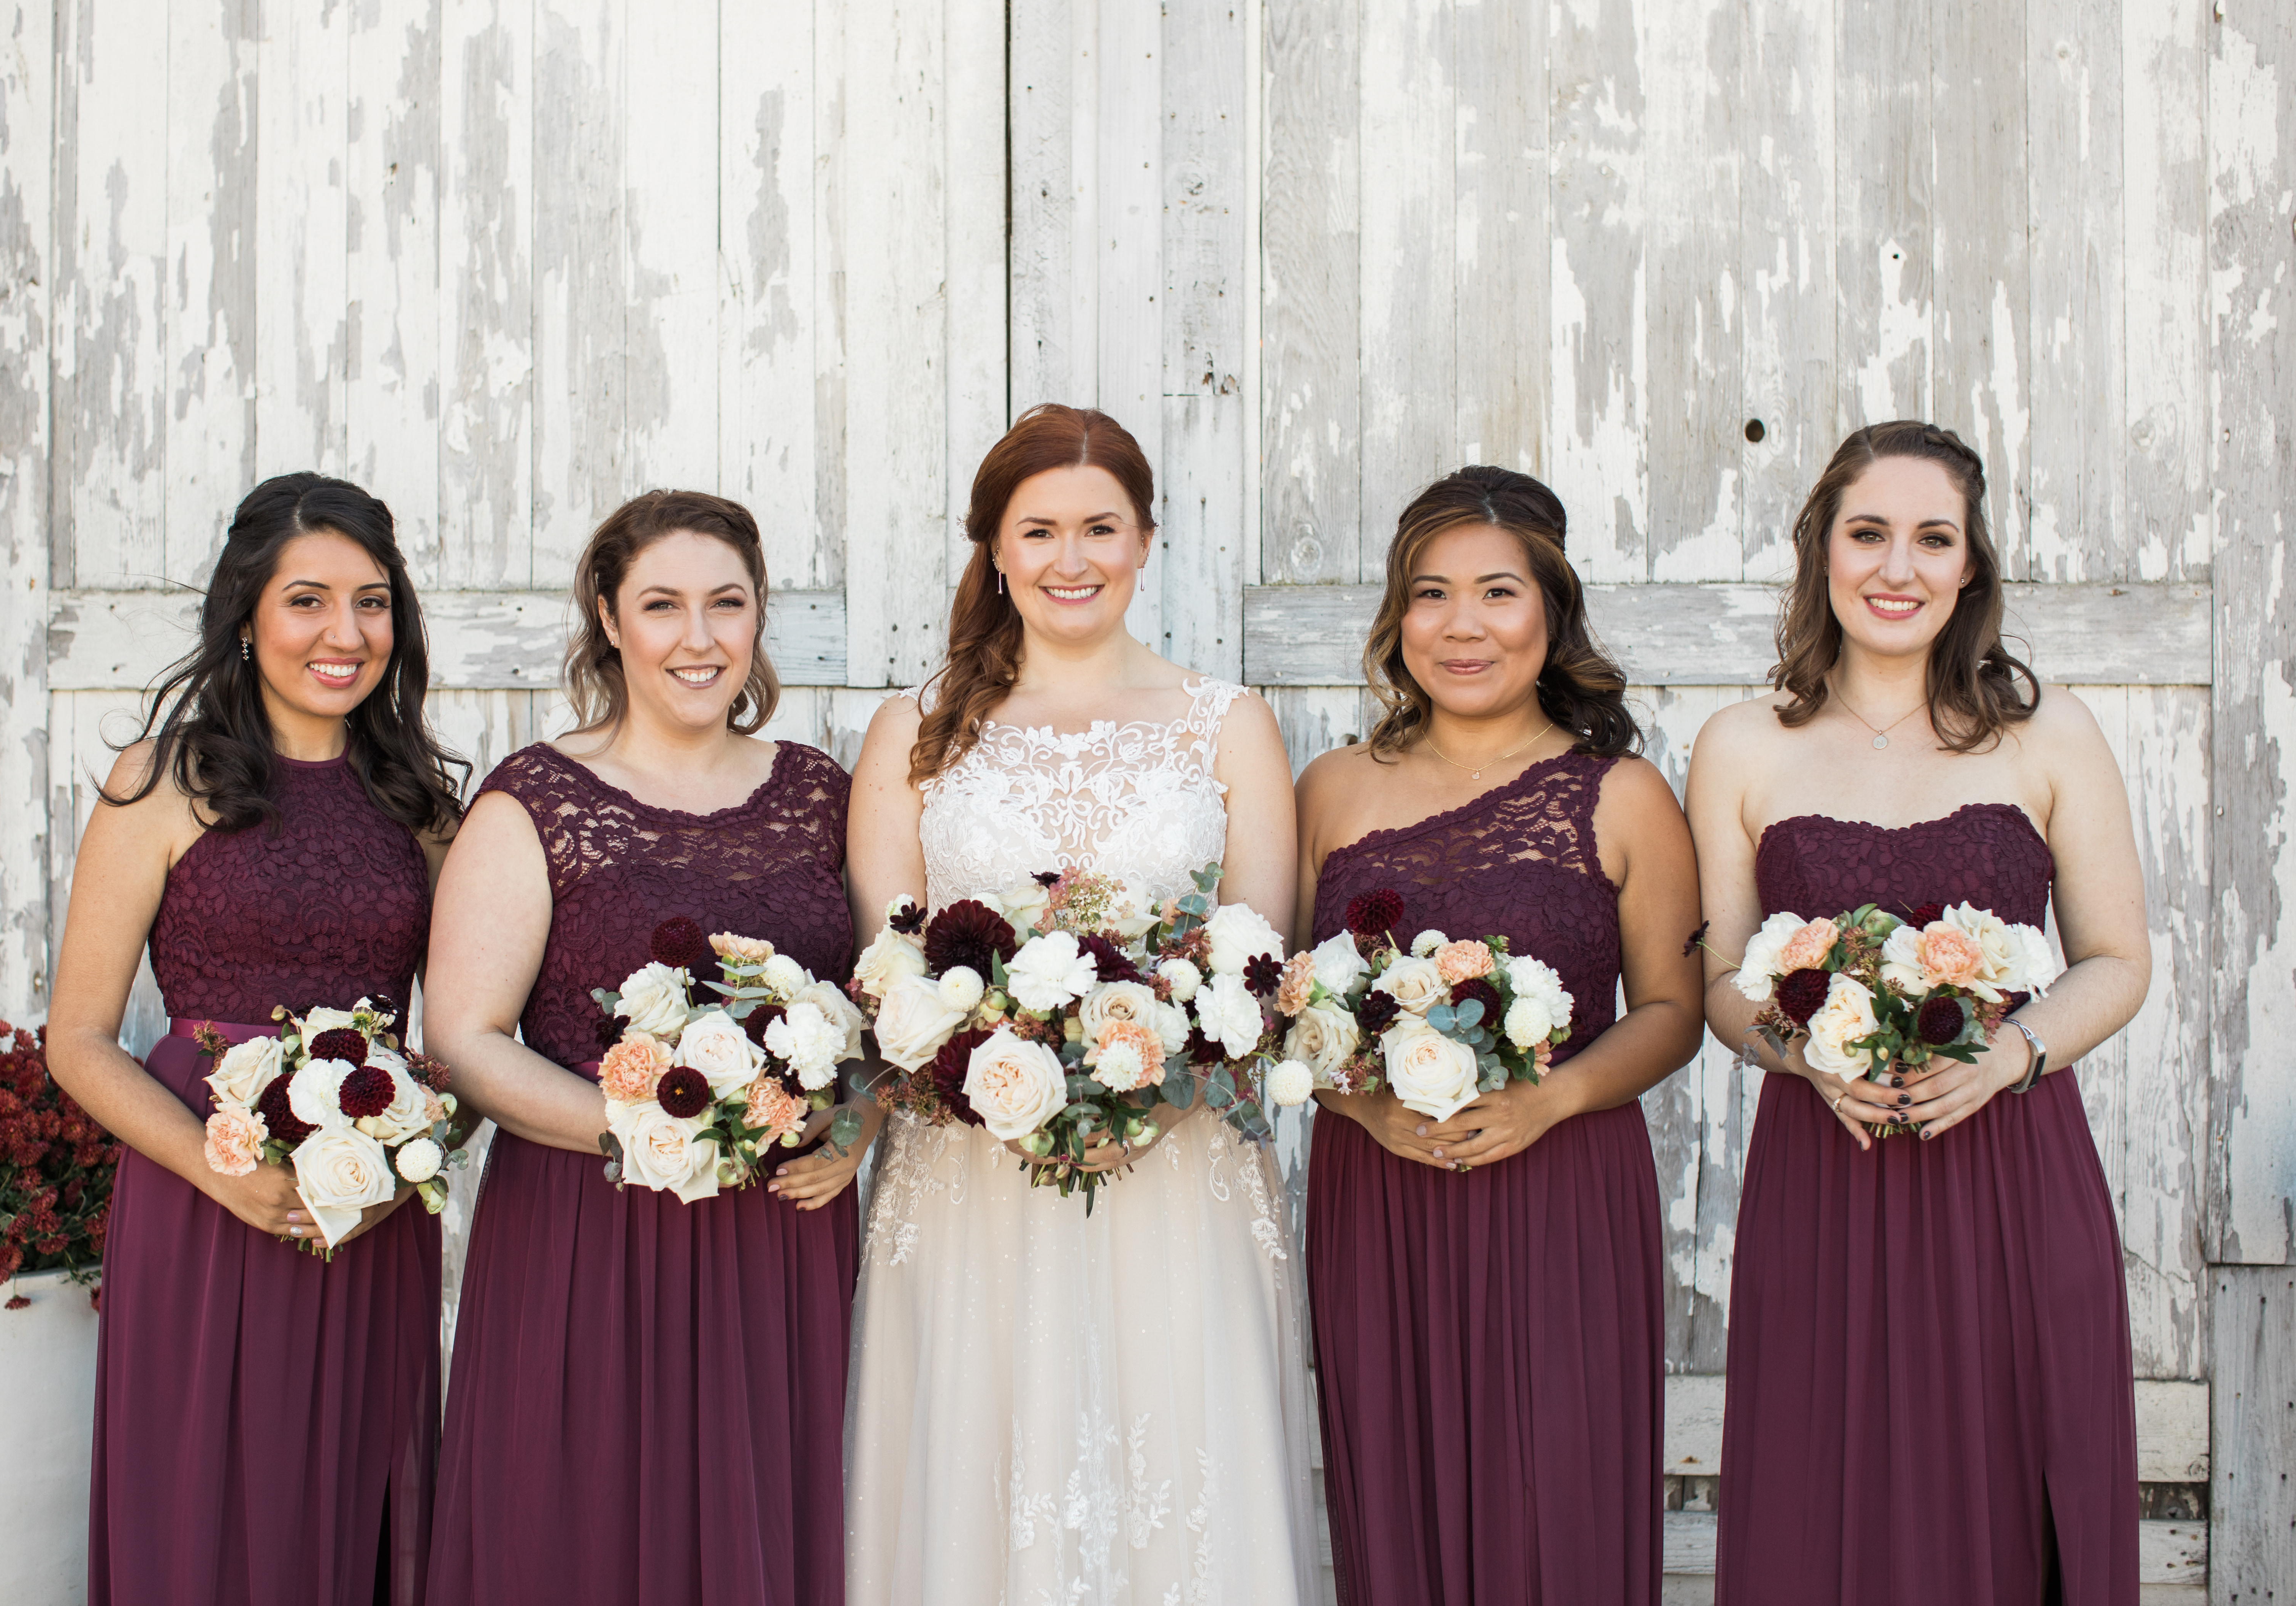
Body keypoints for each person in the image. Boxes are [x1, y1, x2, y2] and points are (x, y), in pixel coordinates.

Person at [842, 404, 1318, 1603]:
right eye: (1038, 530)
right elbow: (887, 971)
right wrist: (989, 1085)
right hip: (969, 1177)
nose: (1070, 559)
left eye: (1099, 528)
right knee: (979, 1461)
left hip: (1177, 1166)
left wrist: (1153, 1091)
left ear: (1146, 541)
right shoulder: (914, 728)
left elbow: (1256, 967)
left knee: (1178, 1460)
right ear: (993, 549)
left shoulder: (1228, 724)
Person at [1687, 421, 2149, 1604]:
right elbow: (1722, 984)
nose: (1897, 568)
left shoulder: (2047, 734)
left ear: (1969, 569)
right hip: (1824, 1166)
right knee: (1819, 1495)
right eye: (1868, 534)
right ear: (1822, 553)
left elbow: (2114, 961)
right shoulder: (1741, 745)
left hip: (2009, 1163)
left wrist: (2007, 1055)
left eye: (1931, 539)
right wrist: (1799, 1054)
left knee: (2011, 1488)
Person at [423, 490, 863, 1605]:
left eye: (727, 603)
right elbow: (466, 1038)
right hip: (588, 1228)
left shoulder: (819, 795)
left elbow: (884, 1010)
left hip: (780, 1236)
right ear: (610, 621)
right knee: (579, 1532)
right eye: (662, 605)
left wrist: (855, 1122)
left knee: (763, 1526)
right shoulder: (536, 800)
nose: (698, 637)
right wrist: (662, 1130)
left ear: (760, 618)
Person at [47, 473, 470, 1605]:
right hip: (198, 1190)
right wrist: (220, 1173)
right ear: (246, 615)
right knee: (199, 1501)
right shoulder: (163, 780)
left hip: (369, 1205)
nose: (346, 635)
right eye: (309, 601)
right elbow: (79, 1040)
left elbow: (471, 1041)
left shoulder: (423, 807)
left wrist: (412, 1160)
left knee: (347, 1498)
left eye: (373, 603)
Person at [1292, 466, 1703, 1604]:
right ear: (1396, 618)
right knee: (1396, 1491)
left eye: (1497, 593)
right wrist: (1360, 1104)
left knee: (1556, 1504)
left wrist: (1551, 1097)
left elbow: (1673, 1014)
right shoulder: (1328, 788)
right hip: (1377, 1191)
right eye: (1429, 594)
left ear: (1551, 612)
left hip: (1561, 1187)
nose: (1460, 626)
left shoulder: (1621, 796)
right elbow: (1282, 1005)